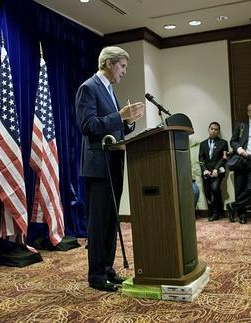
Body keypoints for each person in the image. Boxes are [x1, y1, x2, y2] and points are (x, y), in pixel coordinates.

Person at [76, 46, 144, 292]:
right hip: (98, 166)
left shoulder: (110, 91)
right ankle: (96, 275)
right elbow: (88, 126)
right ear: (108, 63)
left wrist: (129, 123)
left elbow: (112, 129)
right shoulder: (89, 88)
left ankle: (107, 269)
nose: (124, 72)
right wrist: (119, 115)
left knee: (111, 221)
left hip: (114, 161)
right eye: (122, 66)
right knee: (98, 222)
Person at [198, 122, 228, 221]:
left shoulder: (223, 143)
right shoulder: (202, 144)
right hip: (206, 172)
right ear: (208, 129)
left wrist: (216, 169)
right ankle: (218, 211)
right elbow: (201, 159)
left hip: (218, 171)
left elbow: (224, 158)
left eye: (216, 129)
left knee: (215, 189)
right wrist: (204, 170)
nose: (213, 131)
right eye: (212, 128)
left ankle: (215, 213)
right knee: (207, 192)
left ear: (218, 131)